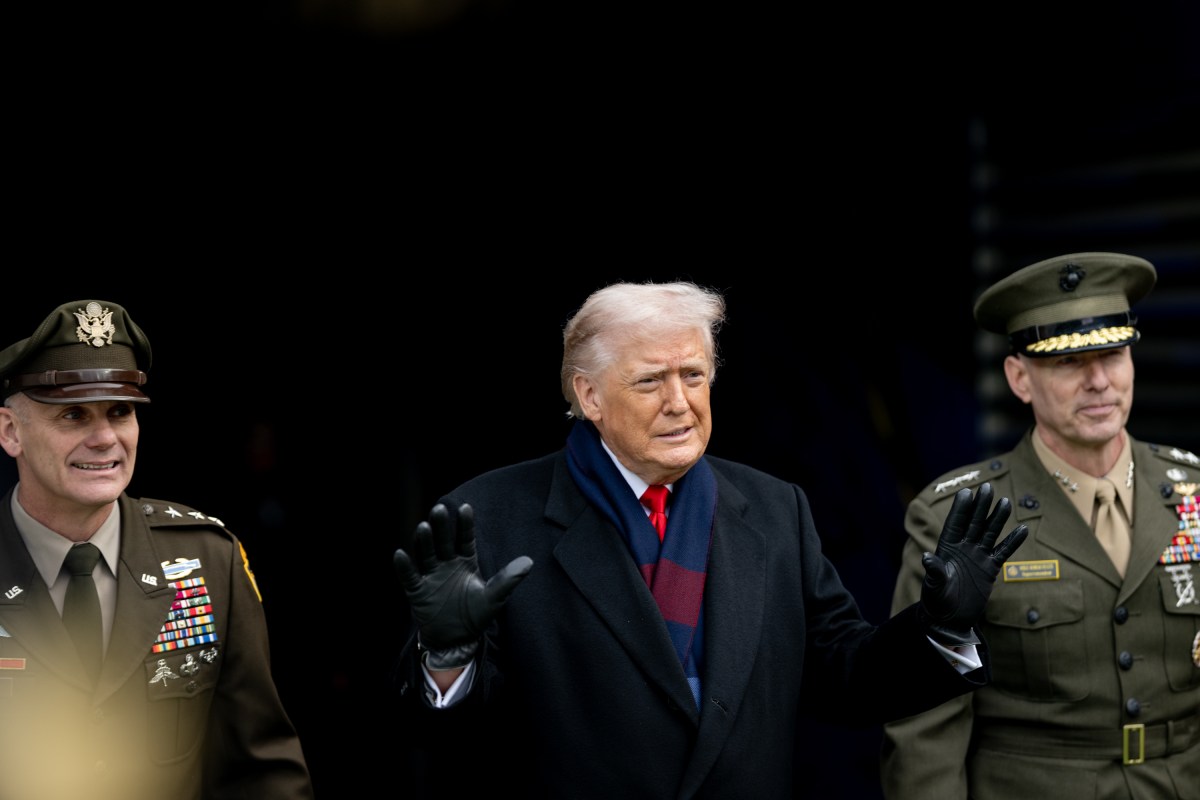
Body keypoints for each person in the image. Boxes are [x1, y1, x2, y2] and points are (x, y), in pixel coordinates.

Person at [391, 280, 1029, 798]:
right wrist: (448, 656)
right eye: (650, 381)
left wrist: (939, 628)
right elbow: (442, 746)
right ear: (588, 395)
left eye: (694, 376)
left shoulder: (776, 510)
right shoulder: (489, 517)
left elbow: (845, 678)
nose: (680, 403)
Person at [880, 252, 1200, 799]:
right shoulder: (957, 518)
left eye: (1113, 353)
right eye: (1068, 362)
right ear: (1019, 378)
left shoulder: (1193, 491)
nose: (1098, 381)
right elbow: (925, 726)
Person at [0, 300, 313, 800]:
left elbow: (261, 774)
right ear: (11, 432)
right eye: (73, 414)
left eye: (120, 412)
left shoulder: (209, 562)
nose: (104, 438)